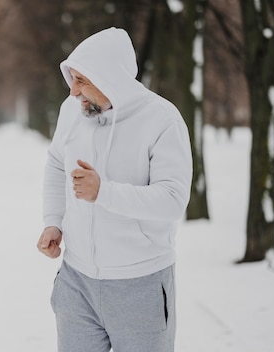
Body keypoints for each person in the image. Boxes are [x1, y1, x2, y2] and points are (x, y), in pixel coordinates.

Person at [37, 27, 192, 352]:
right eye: (72, 79)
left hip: (141, 284)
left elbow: (172, 200)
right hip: (77, 282)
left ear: (110, 78)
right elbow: (55, 163)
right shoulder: (72, 113)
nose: (72, 91)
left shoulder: (162, 120)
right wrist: (54, 220)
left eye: (82, 80)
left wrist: (103, 193)